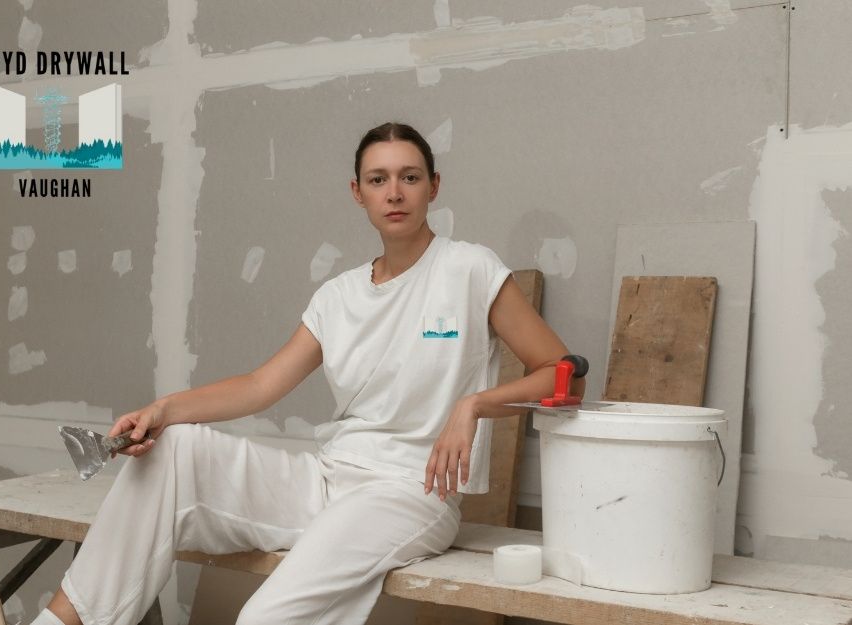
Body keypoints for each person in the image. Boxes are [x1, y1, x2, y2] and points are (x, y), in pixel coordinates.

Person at [32, 122, 582, 625]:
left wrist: (473, 406)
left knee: (264, 620)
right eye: (379, 179)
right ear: (358, 192)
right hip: (329, 479)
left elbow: (564, 374)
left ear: (433, 187)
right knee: (173, 448)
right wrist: (163, 410)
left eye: (410, 177)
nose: (394, 192)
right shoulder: (338, 296)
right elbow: (259, 386)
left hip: (410, 493)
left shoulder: (469, 269)